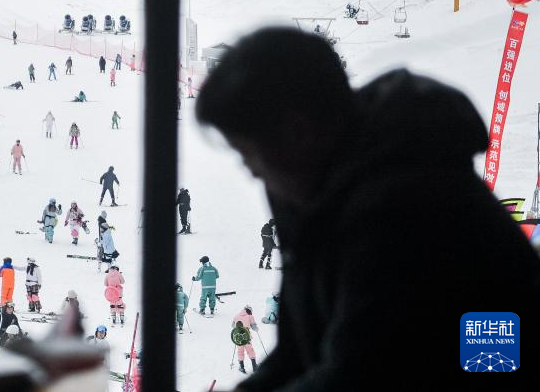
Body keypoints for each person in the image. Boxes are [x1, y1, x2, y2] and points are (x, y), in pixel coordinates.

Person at [196, 26, 540, 389]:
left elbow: (362, 376)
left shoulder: (411, 209)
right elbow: (300, 351)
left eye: (249, 154)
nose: (250, 171)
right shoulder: (318, 190)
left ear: (297, 133)